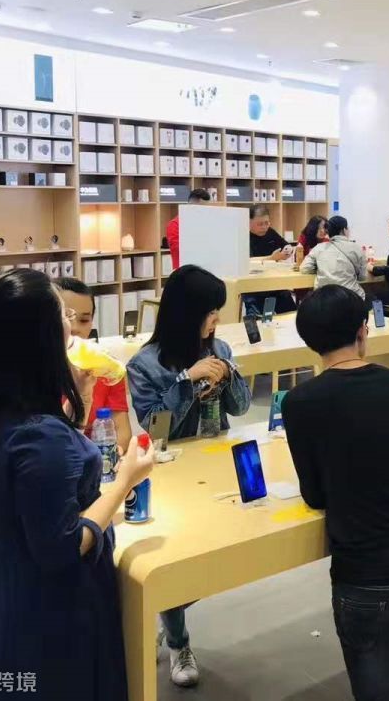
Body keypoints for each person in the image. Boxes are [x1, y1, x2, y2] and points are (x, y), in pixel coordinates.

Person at [0, 268, 154, 701]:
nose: (72, 324)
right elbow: (63, 546)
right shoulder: (40, 436)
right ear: (39, 337)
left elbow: (34, 482)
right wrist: (125, 481)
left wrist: (79, 405)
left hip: (3, 581)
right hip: (54, 607)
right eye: (62, 315)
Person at [283, 285, 389, 701]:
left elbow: (315, 495)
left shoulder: (300, 402)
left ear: (309, 341)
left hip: (362, 572)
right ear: (362, 330)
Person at [126, 265, 252, 687]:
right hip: (173, 472)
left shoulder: (220, 348)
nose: (216, 319)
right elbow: (156, 429)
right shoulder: (145, 364)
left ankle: (167, 608)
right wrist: (186, 380)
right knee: (175, 558)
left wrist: (227, 375)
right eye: (210, 312)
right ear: (186, 314)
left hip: (217, 462)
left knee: (226, 554)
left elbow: (240, 407)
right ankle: (179, 641)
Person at [56, 277, 133, 449]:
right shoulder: (33, 373)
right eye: (66, 317)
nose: (75, 328)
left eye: (84, 320)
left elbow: (122, 432)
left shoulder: (105, 368)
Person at [300, 215, 368, 299]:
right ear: (344, 230)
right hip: (351, 298)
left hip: (324, 299)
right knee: (371, 297)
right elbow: (362, 277)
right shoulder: (356, 248)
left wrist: (320, 268)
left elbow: (304, 268)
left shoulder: (318, 248)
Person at [246, 205, 296, 315]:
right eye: (260, 224)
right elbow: (248, 262)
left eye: (267, 223)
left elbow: (285, 244)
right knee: (258, 314)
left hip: (275, 281)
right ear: (249, 222)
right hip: (254, 285)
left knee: (290, 308)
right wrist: (271, 259)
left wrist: (288, 250)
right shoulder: (244, 236)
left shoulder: (270, 232)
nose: (264, 227)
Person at [165, 188, 212, 271]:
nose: (204, 212)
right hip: (184, 271)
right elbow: (178, 249)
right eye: (202, 208)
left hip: (206, 268)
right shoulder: (175, 224)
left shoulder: (205, 222)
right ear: (191, 205)